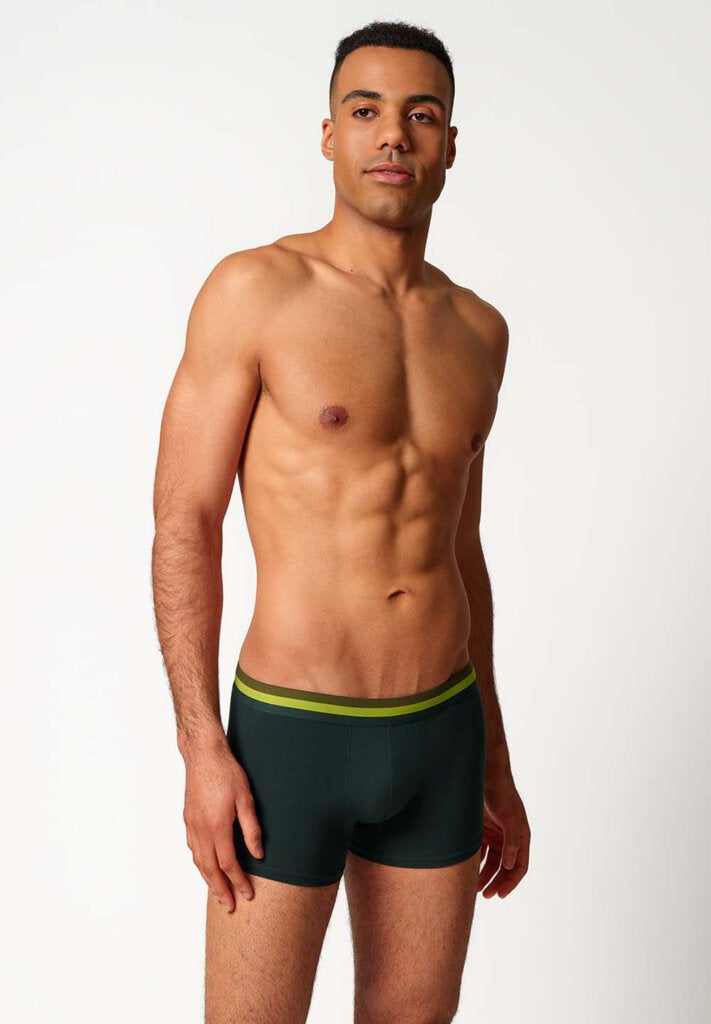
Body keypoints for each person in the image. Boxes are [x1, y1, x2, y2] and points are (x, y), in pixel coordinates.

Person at [152, 18, 530, 1024]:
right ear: (329, 134)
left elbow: (459, 548)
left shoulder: (479, 331)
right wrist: (201, 747)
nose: (393, 134)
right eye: (366, 110)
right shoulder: (255, 292)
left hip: (441, 733)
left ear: (449, 143)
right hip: (293, 736)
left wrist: (494, 758)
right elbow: (185, 522)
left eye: (421, 114)